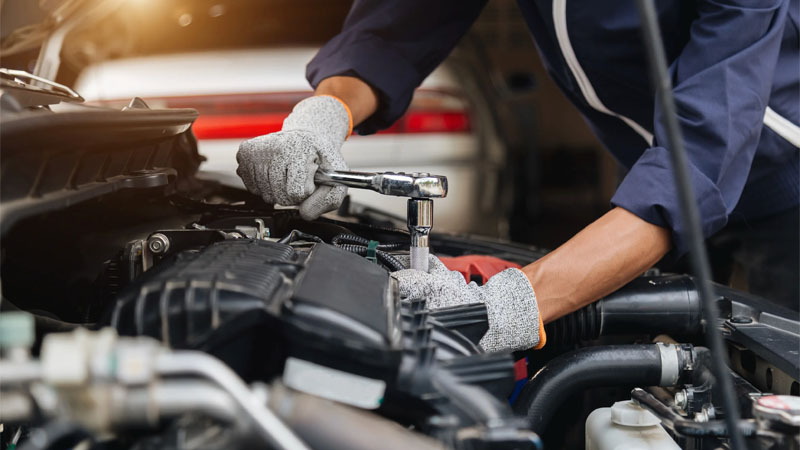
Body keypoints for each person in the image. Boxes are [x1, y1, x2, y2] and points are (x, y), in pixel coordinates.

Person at [236, 0, 799, 353]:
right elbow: (393, 28)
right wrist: (323, 117)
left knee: (781, 373)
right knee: (628, 373)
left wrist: (511, 302)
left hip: (782, 174)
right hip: (651, 178)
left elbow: (701, 157)